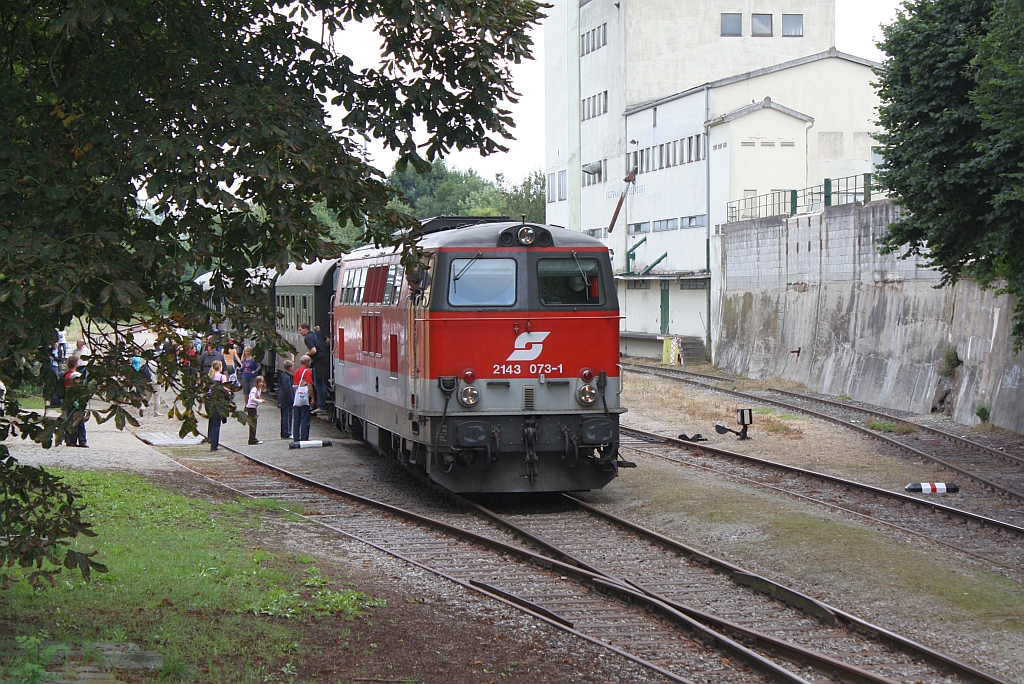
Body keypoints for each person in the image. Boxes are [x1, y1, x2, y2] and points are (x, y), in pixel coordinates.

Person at [299, 323, 330, 413]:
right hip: (326, 359)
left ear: (306, 329)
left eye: (300, 330)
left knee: (318, 384)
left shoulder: (307, 338)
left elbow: (313, 350)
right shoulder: (318, 333)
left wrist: (306, 354)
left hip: (319, 361)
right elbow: (328, 341)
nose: (299, 332)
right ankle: (325, 394)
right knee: (320, 382)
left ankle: (322, 405)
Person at [62, 357, 88, 447]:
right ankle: (80, 440)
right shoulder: (74, 375)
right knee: (77, 421)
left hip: (69, 400)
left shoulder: (66, 374)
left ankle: (72, 440)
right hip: (75, 400)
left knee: (71, 419)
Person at [206, 360, 230, 451]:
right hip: (218, 400)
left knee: (211, 421)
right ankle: (214, 446)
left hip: (209, 400)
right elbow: (225, 389)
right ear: (220, 367)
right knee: (216, 424)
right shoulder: (222, 377)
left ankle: (210, 438)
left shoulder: (209, 377)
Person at [291, 355, 314, 442]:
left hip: (297, 398)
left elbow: (295, 386)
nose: (310, 363)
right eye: (309, 361)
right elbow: (309, 385)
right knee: (305, 418)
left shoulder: (296, 371)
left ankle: (296, 437)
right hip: (304, 398)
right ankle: (304, 437)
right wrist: (312, 397)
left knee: (297, 419)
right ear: (307, 362)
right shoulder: (307, 372)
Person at [246, 376, 266, 445]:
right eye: (260, 382)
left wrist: (259, 401)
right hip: (251, 408)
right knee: (253, 423)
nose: (261, 384)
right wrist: (260, 401)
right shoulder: (254, 389)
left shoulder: (259, 390)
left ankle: (252, 438)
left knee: (254, 423)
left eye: (262, 382)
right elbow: (252, 398)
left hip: (254, 407)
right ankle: (252, 439)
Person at [278, 359, 294, 440]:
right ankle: (287, 433)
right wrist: (291, 401)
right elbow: (288, 390)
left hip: (283, 399)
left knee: (284, 416)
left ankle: (284, 432)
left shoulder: (283, 376)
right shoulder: (287, 378)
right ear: (290, 368)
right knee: (287, 417)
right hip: (286, 400)